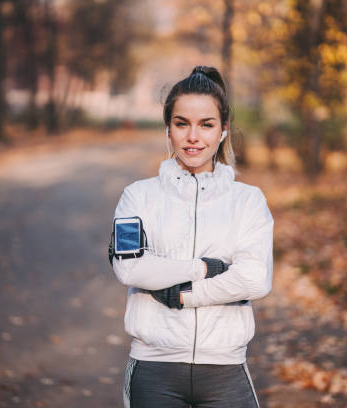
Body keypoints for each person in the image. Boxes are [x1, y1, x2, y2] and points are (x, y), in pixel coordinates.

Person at [109, 66, 274, 408]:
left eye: (206, 124)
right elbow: (130, 269)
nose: (193, 137)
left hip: (226, 373)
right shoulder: (137, 196)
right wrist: (202, 268)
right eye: (182, 123)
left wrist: (183, 296)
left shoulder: (248, 200)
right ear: (168, 129)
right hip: (154, 371)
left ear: (224, 131)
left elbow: (255, 279)